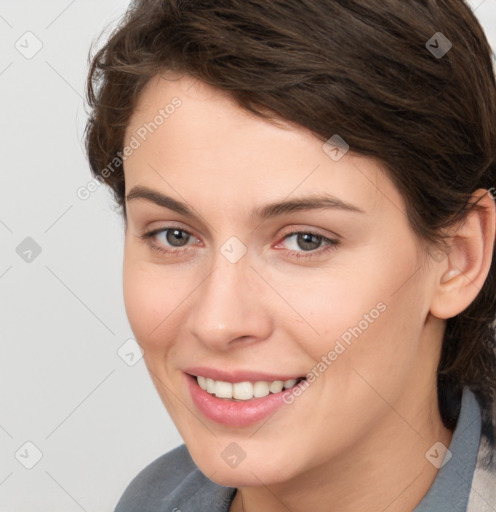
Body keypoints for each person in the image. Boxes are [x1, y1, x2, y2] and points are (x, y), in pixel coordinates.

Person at [84, 1, 496, 510]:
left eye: (306, 240)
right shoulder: (154, 499)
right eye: (173, 235)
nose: (218, 322)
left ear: (459, 257)